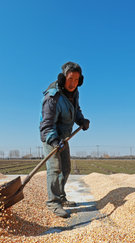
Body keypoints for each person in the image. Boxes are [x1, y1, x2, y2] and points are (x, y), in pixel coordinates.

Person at [39, 62, 90, 218]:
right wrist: (54, 141)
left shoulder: (75, 93)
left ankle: (61, 197)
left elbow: (76, 110)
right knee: (54, 168)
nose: (73, 83)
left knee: (66, 168)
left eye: (76, 80)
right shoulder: (52, 97)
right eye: (70, 79)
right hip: (51, 137)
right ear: (63, 78)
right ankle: (53, 203)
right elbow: (46, 125)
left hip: (63, 137)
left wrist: (81, 120)